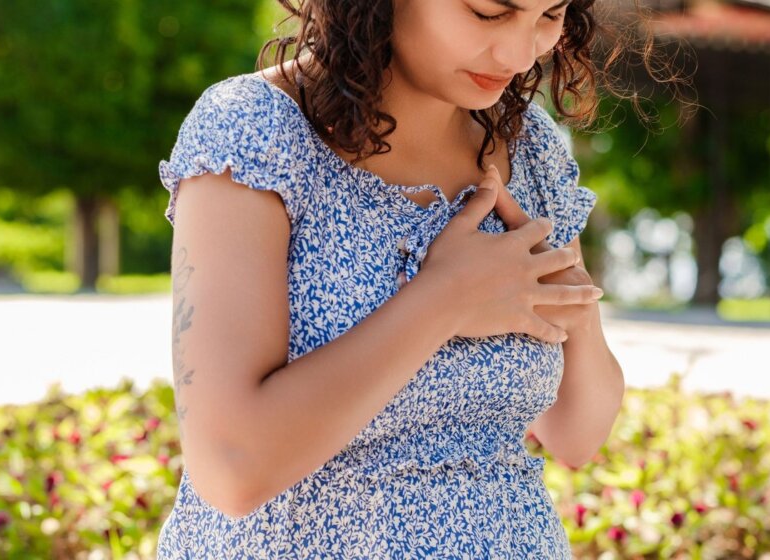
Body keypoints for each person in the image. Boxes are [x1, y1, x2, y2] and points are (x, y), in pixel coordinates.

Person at [154, 0, 675, 556]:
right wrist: (444, 301)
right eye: (489, 12)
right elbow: (232, 468)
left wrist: (576, 309)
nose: (521, 54)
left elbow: (577, 432)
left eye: (550, 15)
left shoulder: (529, 145)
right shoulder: (256, 129)